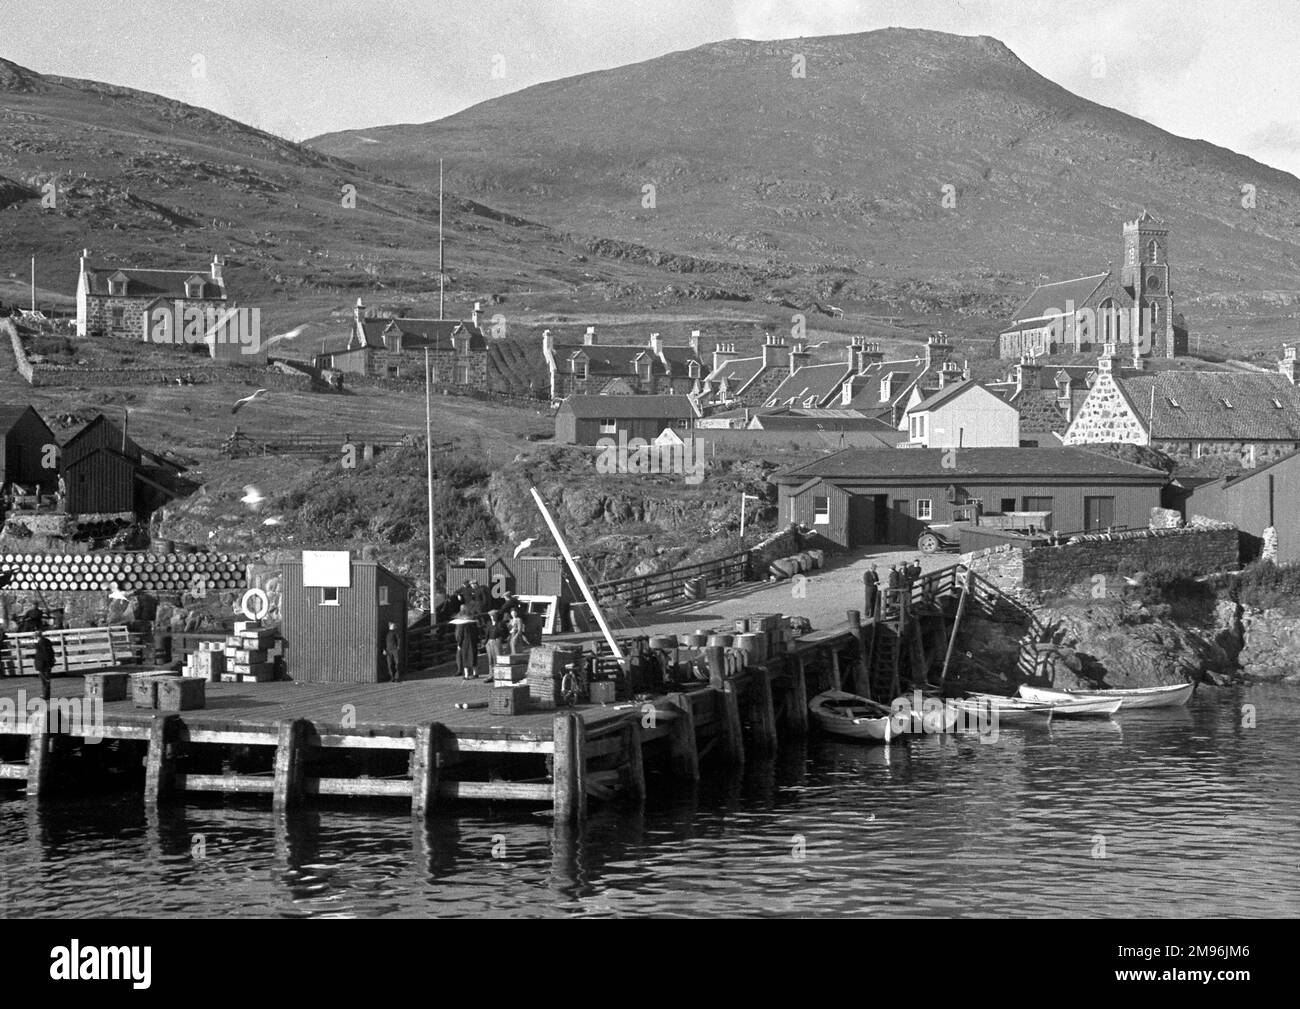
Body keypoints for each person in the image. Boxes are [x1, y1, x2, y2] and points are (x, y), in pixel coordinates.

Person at [33, 628, 55, 702]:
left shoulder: (40, 643)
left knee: (44, 680)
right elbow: (51, 652)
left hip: (43, 664)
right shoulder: (47, 641)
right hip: (47, 663)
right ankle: (46, 694)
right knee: (46, 680)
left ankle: (45, 695)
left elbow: (44, 654)